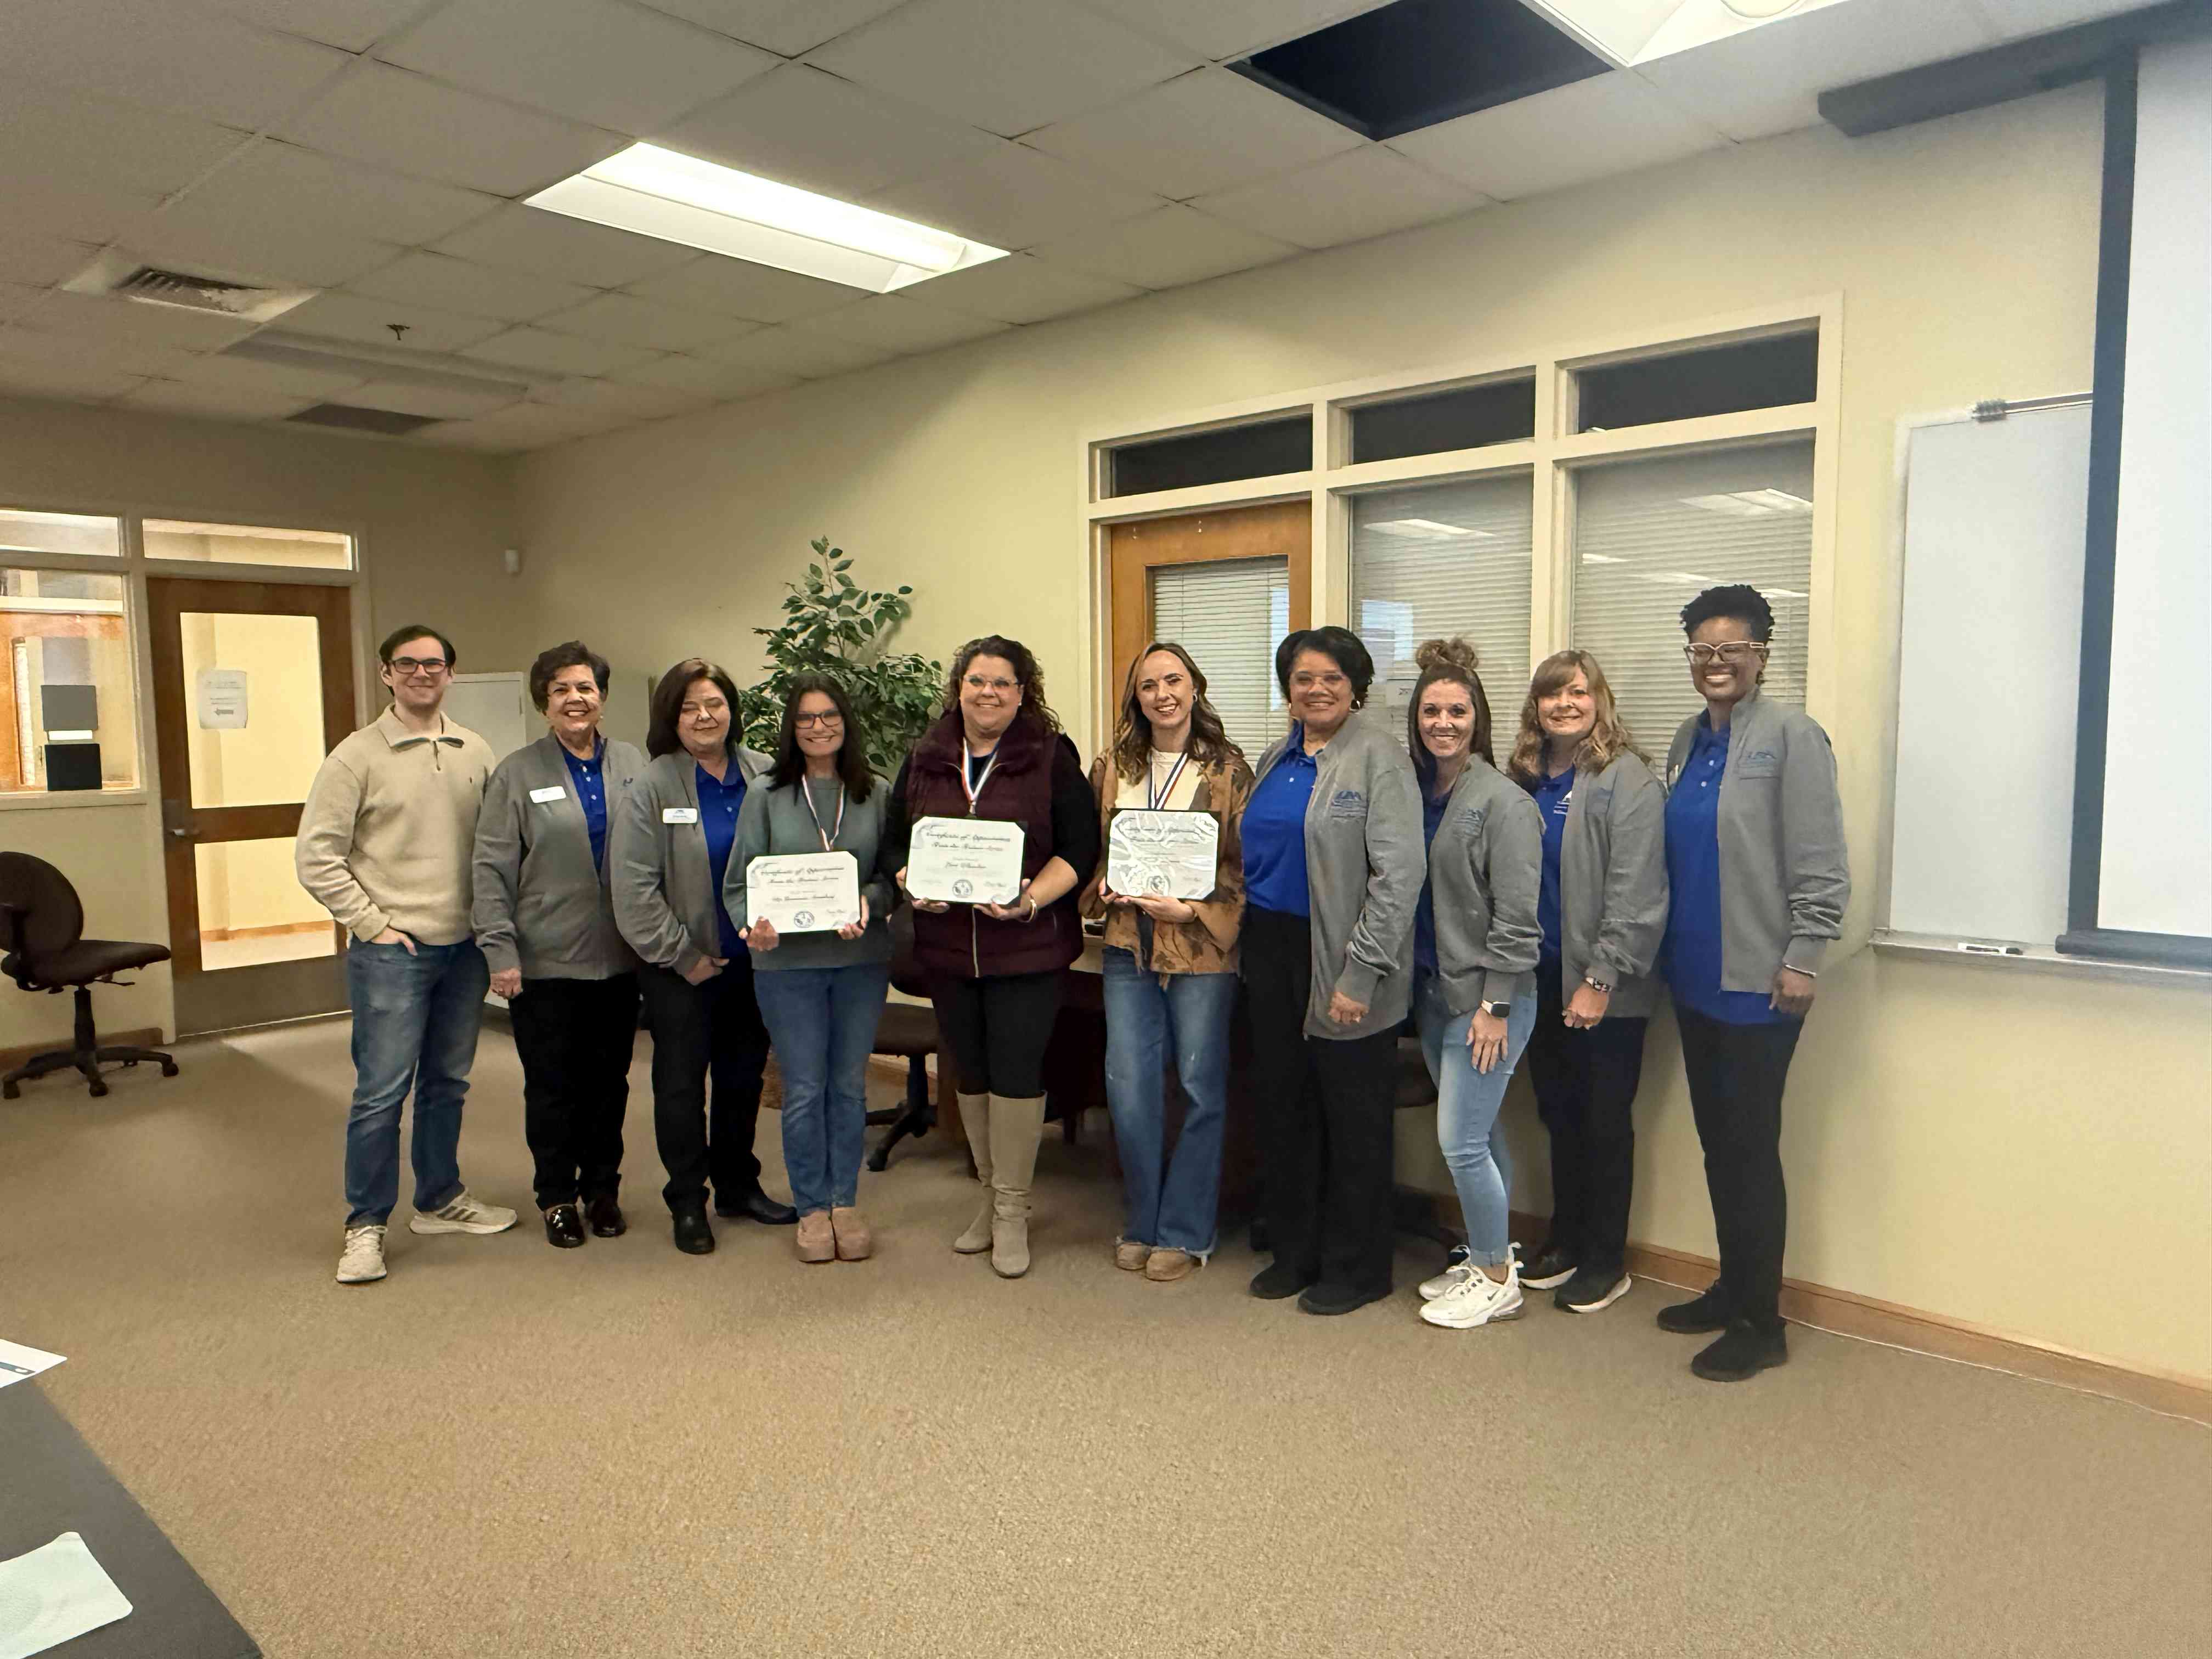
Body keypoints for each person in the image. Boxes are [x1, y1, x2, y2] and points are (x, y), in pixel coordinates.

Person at [1658, 585, 1849, 1381]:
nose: (1716, 663)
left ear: (1762, 656)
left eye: (1731, 649)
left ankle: (1759, 1323)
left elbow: (1820, 859)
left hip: (1761, 985)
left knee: (1749, 1150)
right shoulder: (1687, 740)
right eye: (1702, 650)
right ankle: (1732, 1286)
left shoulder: (1793, 737)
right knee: (1717, 1146)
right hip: (1696, 978)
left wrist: (1804, 954)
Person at [297, 624, 514, 1285]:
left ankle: (440, 1198)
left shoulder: (475, 749)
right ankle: (365, 1226)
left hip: (464, 948)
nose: (422, 673)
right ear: (387, 674)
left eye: (435, 664)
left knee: (448, 1083)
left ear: (450, 673)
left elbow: (495, 847)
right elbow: (316, 856)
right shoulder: (355, 757)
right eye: (408, 664)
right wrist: (371, 924)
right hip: (394, 951)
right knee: (381, 1094)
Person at [881, 636, 1099, 1280]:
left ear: (1022, 693)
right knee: (969, 1075)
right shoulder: (926, 756)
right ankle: (987, 1196)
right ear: (960, 687)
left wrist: (1031, 901)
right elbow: (896, 842)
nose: (988, 693)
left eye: (1003, 683)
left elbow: (1079, 847)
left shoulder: (1050, 758)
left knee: (1015, 1075)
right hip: (947, 951)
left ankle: (1012, 1210)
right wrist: (909, 882)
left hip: (1025, 950)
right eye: (977, 681)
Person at [1240, 625, 1424, 1316]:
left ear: (1355, 688)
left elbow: (1400, 875)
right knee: (1286, 1109)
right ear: (1287, 689)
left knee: (1354, 1120)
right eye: (1302, 678)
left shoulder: (1379, 759)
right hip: (1271, 949)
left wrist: (1361, 972)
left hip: (1347, 957)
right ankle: (1298, 1252)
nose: (1315, 689)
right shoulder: (1275, 757)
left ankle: (1359, 1267)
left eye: (1331, 678)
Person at [610, 658, 798, 1255]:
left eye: (714, 703)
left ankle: (739, 1185)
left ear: (732, 710)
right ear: (673, 716)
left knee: (743, 1080)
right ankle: (688, 1200)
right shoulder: (653, 785)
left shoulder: (765, 774)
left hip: (753, 961)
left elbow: (788, 859)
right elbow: (633, 889)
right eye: (689, 706)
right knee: (682, 1086)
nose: (704, 716)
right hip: (680, 968)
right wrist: (681, 956)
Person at [1080, 642, 1254, 1283]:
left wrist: (1196, 911)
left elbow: (1242, 867)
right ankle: (1143, 1220)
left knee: (1202, 1088)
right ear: (1136, 698)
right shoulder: (1111, 767)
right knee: (1129, 1088)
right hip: (1128, 946)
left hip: (1201, 952)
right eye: (1149, 684)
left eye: (1174, 680)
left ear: (1195, 688)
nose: (1163, 694)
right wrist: (1100, 886)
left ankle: (1186, 1230)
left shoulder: (1228, 772)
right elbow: (1097, 851)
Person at [1503, 650, 1668, 1315]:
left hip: (1605, 982)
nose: (1564, 705)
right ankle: (1568, 1237)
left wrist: (1599, 980)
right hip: (1538, 975)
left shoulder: (1626, 779)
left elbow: (1637, 888)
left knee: (1604, 1121)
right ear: (1535, 707)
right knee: (1558, 1114)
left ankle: (1607, 1258)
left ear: (1599, 700)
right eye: (1551, 695)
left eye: (1577, 692)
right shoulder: (1524, 778)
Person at [472, 641, 647, 1251]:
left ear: (602, 698)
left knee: (611, 1081)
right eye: (561, 690)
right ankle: (556, 1195)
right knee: (553, 1085)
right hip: (543, 961)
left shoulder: (633, 763)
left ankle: (603, 1189)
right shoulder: (517, 774)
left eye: (586, 689)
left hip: (622, 957)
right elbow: (491, 868)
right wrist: (500, 951)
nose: (576, 699)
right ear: (544, 704)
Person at [726, 676, 898, 1266]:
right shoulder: (766, 794)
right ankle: (811, 1207)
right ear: (790, 729)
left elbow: (888, 876)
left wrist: (868, 905)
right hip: (787, 965)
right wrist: (755, 924)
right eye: (805, 719)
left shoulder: (876, 791)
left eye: (829, 717)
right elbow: (740, 883)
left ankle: (844, 1201)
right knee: (803, 1089)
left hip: (859, 961)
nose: (818, 728)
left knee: (849, 1086)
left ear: (846, 722)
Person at [1400, 640, 1543, 1333]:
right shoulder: (1420, 791)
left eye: (1458, 710)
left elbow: (1520, 920)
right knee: (1478, 1138)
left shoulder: (1503, 803)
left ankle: (1494, 1278)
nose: (1444, 722)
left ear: (1477, 718)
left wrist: (1496, 1007)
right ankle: (1492, 1254)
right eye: (1431, 710)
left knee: (1459, 1141)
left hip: (1489, 1000)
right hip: (1435, 992)